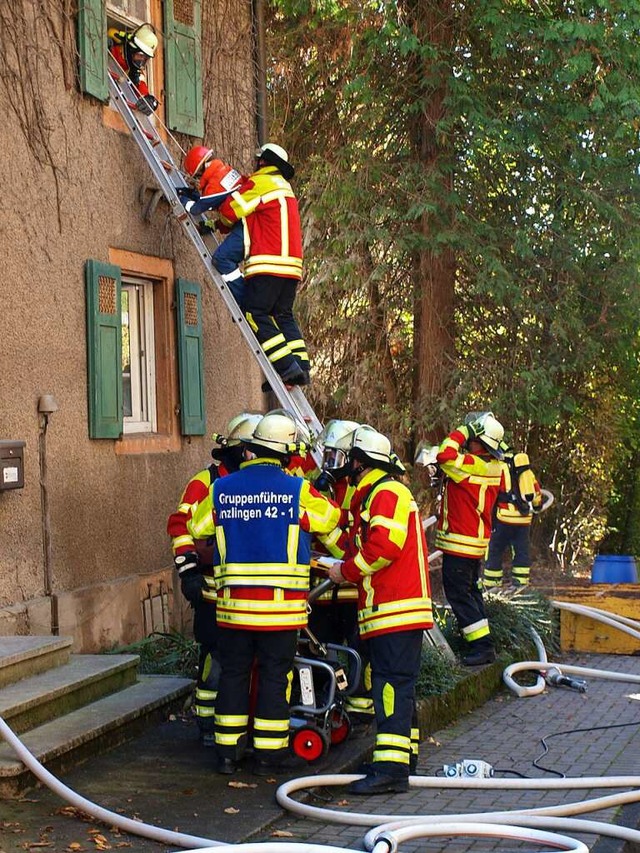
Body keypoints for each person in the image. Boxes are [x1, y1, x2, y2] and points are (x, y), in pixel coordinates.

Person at [185, 410, 341, 775]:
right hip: (280, 610)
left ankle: (228, 753)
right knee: (274, 675)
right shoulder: (296, 489)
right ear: (286, 452)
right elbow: (329, 518)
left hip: (232, 610)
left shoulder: (221, 489)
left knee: (235, 674)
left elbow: (197, 525)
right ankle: (270, 754)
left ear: (252, 449)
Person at [327, 425, 432, 795]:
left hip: (394, 611)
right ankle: (405, 758)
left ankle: (390, 770)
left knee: (390, 686)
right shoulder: (372, 496)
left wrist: (345, 572)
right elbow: (358, 545)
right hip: (388, 612)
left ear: (359, 462)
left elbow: (383, 547)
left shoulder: (387, 492)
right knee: (398, 686)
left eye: (348, 461)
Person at [180, 143, 310, 388]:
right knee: (284, 315)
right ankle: (301, 369)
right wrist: (217, 226)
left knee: (254, 312)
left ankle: (287, 369)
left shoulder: (261, 182)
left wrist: (197, 205)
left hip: (269, 263)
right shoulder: (284, 187)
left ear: (264, 162)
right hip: (292, 267)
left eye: (259, 159)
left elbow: (231, 211)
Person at [167, 412, 262, 746]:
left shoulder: (264, 482)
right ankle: (207, 723)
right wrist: (189, 572)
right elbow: (181, 526)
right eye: (252, 449)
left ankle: (246, 727)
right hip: (212, 590)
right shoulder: (205, 483)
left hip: (253, 592)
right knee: (216, 658)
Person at [308, 419, 376, 724]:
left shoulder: (364, 491)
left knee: (358, 652)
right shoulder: (320, 484)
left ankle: (359, 711)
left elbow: (355, 546)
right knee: (318, 648)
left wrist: (326, 533)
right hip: (321, 589)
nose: (331, 464)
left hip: (352, 589)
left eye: (337, 457)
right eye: (329, 456)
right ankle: (326, 701)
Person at [435, 412, 506, 667]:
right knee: (471, 592)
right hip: (474, 544)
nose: (468, 442)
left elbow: (444, 455)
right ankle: (480, 641)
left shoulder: (472, 464)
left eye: (473, 439)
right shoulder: (493, 466)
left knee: (458, 593)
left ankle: (481, 646)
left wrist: (464, 429)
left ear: (481, 443)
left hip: (460, 543)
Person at [179, 148, 246, 307]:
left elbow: (196, 208)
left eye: (196, 177)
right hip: (246, 223)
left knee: (221, 259)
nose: (196, 181)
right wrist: (213, 225)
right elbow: (219, 203)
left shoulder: (214, 184)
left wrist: (182, 198)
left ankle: (244, 300)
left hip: (246, 227)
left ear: (199, 172)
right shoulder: (225, 171)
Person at [484, 445, 543, 589]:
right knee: (521, 551)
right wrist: (536, 506)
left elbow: (490, 492)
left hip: (504, 518)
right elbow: (536, 494)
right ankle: (520, 584)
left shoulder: (499, 468)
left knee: (495, 550)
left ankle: (492, 585)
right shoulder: (526, 471)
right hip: (524, 520)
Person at [108, 23, 159, 115]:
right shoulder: (113, 49)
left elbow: (143, 93)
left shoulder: (136, 74)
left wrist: (151, 102)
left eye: (145, 58)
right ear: (132, 48)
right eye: (140, 55)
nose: (141, 61)